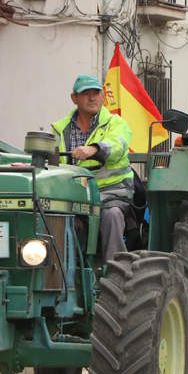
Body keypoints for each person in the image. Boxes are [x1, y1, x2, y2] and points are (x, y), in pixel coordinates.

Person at [51, 74, 134, 261]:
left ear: (103, 96)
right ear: (74, 98)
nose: (92, 98)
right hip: (72, 197)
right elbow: (50, 163)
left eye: (96, 93)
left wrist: (95, 149)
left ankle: (115, 273)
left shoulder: (116, 123)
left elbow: (118, 145)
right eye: (85, 93)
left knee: (112, 217)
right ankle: (58, 275)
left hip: (111, 193)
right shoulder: (59, 129)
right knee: (51, 219)